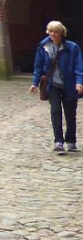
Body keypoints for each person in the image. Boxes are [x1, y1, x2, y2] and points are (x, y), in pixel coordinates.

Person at [29, 21, 83, 153]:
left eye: (55, 31)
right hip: (53, 84)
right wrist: (35, 83)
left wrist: (79, 82)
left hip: (69, 85)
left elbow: (78, 67)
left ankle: (71, 141)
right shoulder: (43, 46)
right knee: (55, 111)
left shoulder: (72, 47)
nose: (52, 34)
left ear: (61, 33)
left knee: (70, 114)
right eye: (50, 31)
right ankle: (58, 141)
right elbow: (38, 66)